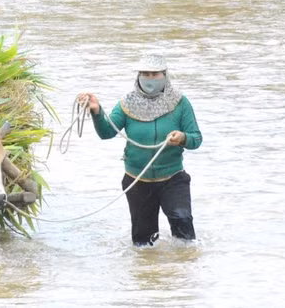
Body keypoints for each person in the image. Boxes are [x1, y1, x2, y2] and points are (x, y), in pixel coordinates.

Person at [78, 52, 202, 246]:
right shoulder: (127, 103)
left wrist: (182, 138)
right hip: (137, 180)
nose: (150, 78)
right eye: (145, 73)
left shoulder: (180, 103)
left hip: (172, 177)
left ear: (165, 75)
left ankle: (183, 271)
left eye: (155, 74)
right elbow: (106, 132)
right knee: (144, 241)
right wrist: (96, 110)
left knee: (183, 225)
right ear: (138, 76)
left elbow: (196, 138)